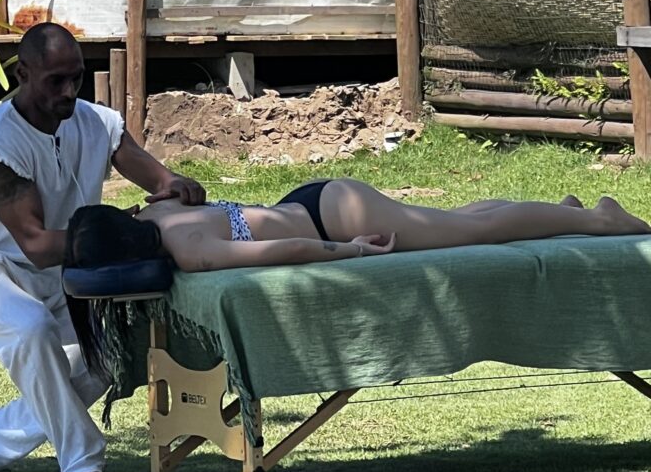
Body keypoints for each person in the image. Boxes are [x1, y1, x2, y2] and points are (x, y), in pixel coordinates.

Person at [0, 22, 206, 472]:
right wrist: (126, 234)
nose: (68, 91)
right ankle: (81, 459)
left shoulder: (95, 122)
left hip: (66, 269)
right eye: (55, 80)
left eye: (75, 78)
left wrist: (177, 188)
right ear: (22, 74)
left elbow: (159, 179)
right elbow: (37, 246)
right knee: (31, 326)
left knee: (116, 351)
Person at [69, 180, 650, 275]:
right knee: (457, 221)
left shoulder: (190, 251)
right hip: (316, 200)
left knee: (477, 232)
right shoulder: (154, 208)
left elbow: (284, 251)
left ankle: (597, 218)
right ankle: (558, 210)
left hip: (335, 220)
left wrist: (350, 251)